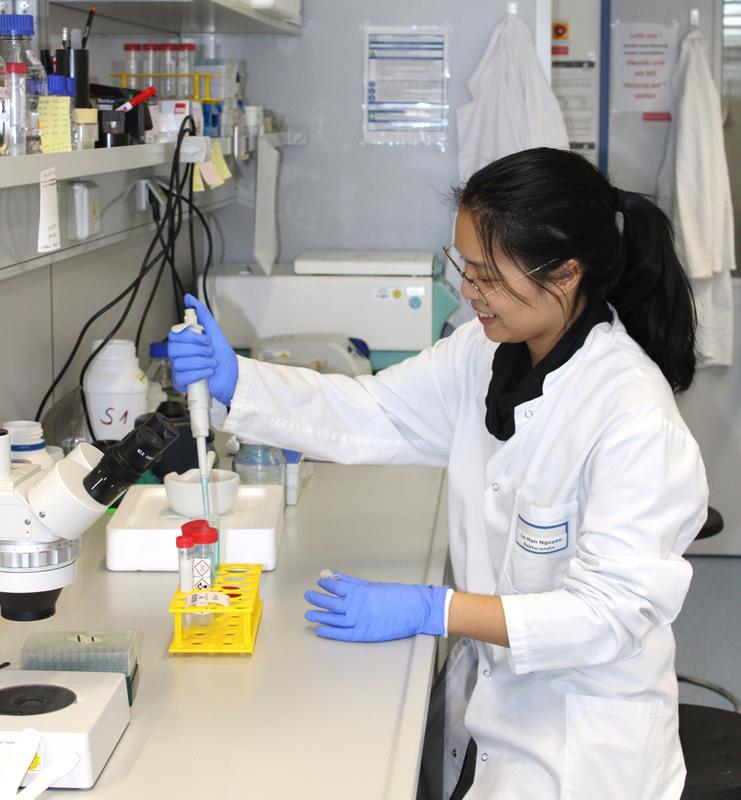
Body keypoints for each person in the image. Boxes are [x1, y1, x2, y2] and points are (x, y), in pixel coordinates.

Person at [168, 147, 708, 800]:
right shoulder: (482, 352)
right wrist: (239, 382)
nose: (468, 294)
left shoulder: (630, 416)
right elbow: (375, 411)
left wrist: (437, 608)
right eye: (464, 269)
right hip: (498, 707)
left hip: (584, 745)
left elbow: (605, 616)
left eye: (487, 277)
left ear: (564, 275)